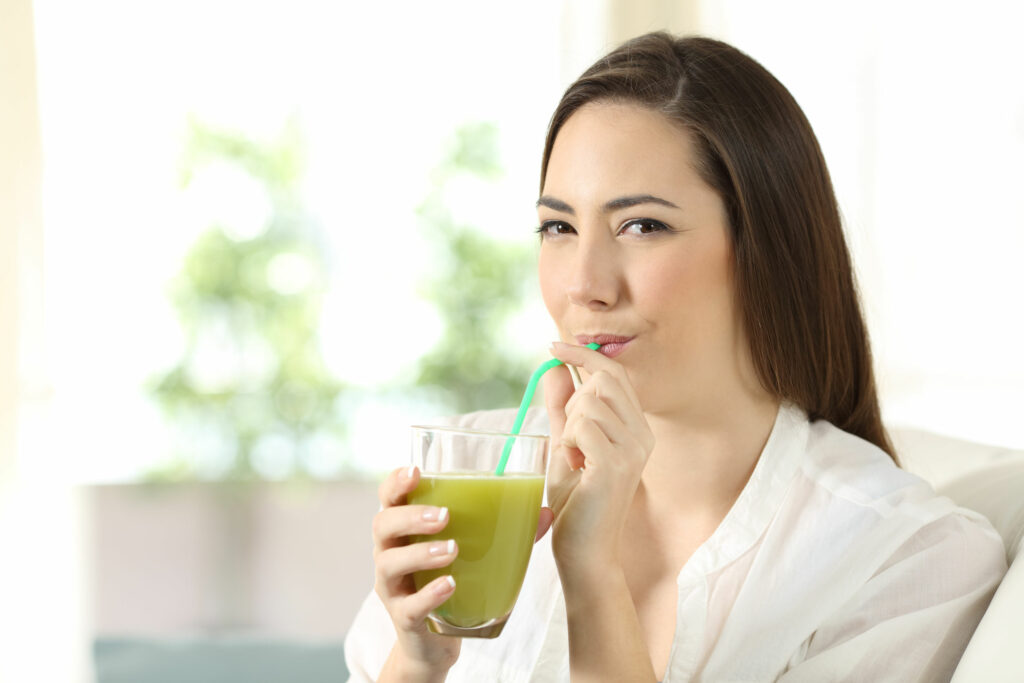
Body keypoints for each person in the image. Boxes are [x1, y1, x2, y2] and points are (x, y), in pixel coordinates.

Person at [344, 32, 1006, 682]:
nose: (583, 285)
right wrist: (416, 665)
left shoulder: (906, 559)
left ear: (766, 250)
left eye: (642, 226)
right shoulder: (472, 469)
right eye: (559, 227)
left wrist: (593, 575)